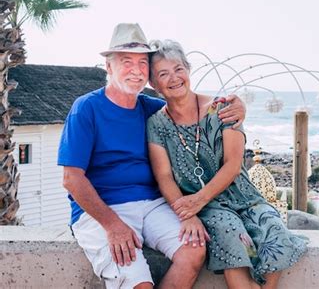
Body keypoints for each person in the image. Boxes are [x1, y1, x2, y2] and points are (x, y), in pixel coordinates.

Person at [58, 23, 246, 289]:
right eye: (126, 62)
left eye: (142, 63)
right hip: (104, 209)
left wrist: (236, 106)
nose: (136, 70)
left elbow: (196, 108)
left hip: (155, 205)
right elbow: (71, 178)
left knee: (194, 250)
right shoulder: (86, 108)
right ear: (109, 67)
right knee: (139, 284)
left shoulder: (154, 109)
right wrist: (113, 225)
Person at [146, 39, 307, 289]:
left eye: (179, 69)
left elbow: (233, 165)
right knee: (230, 232)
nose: (174, 78)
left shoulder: (223, 108)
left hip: (243, 196)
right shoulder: (156, 124)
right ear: (153, 84)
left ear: (188, 70)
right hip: (208, 208)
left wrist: (199, 198)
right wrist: (187, 213)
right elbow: (164, 176)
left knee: (274, 230)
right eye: (163, 74)